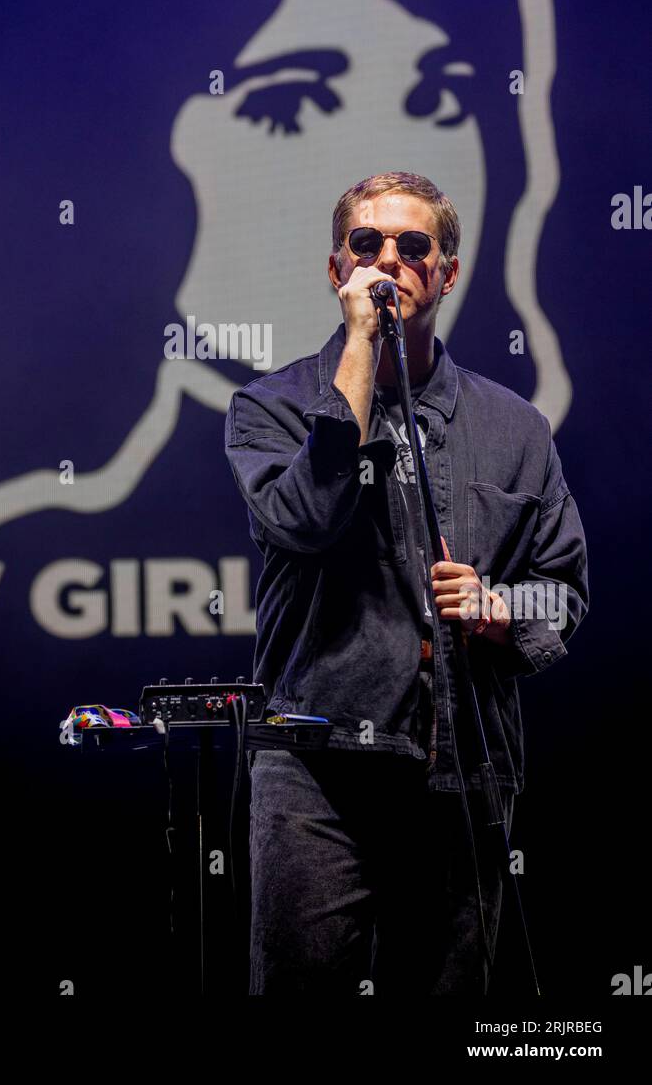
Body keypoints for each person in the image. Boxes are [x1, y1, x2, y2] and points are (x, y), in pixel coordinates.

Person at [224, 171, 589, 995]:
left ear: (447, 272)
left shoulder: (515, 427)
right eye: (366, 245)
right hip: (316, 765)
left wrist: (501, 612)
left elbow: (561, 589)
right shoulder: (269, 405)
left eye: (412, 247)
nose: (387, 263)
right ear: (335, 270)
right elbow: (306, 519)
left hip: (461, 763)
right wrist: (358, 349)